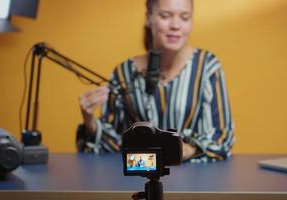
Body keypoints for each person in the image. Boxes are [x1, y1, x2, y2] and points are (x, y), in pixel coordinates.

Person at [77, 0, 234, 163]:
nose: (175, 25)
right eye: (165, 16)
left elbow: (222, 137)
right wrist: (90, 122)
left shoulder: (207, 67)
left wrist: (185, 150)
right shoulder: (124, 73)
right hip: (139, 175)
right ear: (148, 18)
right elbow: (116, 145)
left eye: (185, 17)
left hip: (194, 178)